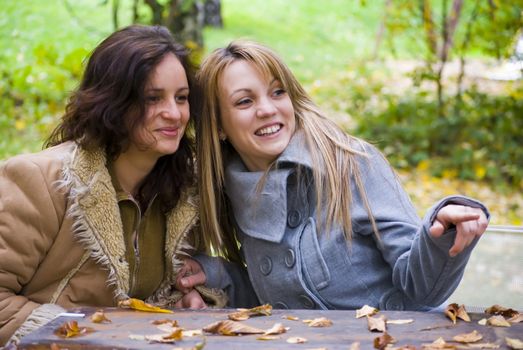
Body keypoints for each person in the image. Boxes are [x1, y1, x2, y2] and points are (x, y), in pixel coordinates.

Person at [175, 40, 490, 311]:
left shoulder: (350, 164)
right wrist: (216, 275)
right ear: (217, 126)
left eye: (277, 92)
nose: (268, 109)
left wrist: (443, 230)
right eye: (245, 101)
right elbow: (279, 299)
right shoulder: (232, 193)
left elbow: (423, 288)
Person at [0, 25, 225, 346]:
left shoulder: (181, 193)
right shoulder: (39, 179)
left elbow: (152, 298)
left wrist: (185, 301)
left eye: (182, 98)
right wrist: (92, 334)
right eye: (152, 98)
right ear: (113, 101)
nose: (174, 113)